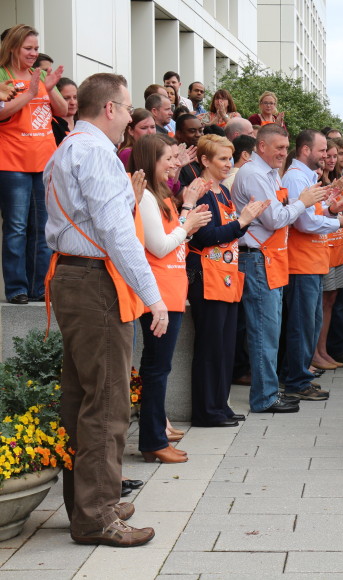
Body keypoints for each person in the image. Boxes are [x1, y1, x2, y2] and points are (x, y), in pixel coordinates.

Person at [45, 72, 160, 547]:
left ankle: (88, 503)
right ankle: (95, 516)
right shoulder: (94, 152)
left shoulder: (68, 148)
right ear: (109, 108)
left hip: (76, 276)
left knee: (83, 398)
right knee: (108, 401)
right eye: (127, 108)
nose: (130, 120)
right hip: (94, 281)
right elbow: (118, 233)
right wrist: (153, 296)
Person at [130, 134, 212, 461]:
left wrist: (186, 217)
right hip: (158, 294)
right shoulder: (147, 197)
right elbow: (160, 246)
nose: (174, 165)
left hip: (171, 291)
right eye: (168, 160)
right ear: (151, 161)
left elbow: (173, 239)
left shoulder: (161, 195)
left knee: (158, 367)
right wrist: (187, 223)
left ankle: (155, 437)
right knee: (156, 369)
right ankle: (152, 442)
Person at [233, 124, 324, 413]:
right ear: (261, 147)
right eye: (279, 148)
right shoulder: (255, 174)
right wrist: (303, 202)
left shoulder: (269, 173)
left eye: (286, 148)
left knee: (269, 330)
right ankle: (264, 397)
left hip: (269, 258)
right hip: (258, 258)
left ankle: (269, 392)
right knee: (264, 331)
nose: (284, 153)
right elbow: (275, 219)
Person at [187, 134, 269, 427]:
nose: (228, 164)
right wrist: (242, 222)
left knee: (225, 347)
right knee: (210, 348)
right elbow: (204, 236)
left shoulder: (223, 191)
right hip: (207, 275)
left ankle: (220, 404)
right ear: (205, 161)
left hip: (226, 275)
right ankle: (206, 411)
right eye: (221, 158)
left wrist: (240, 222)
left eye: (229, 158)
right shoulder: (203, 193)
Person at [280, 129, 343, 400]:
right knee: (302, 324)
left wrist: (332, 210)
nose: (327, 155)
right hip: (301, 262)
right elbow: (303, 222)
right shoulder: (295, 177)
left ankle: (300, 376)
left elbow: (312, 213)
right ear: (305, 150)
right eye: (322, 149)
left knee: (310, 322)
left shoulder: (306, 176)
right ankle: (296, 381)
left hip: (313, 261)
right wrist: (338, 222)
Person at [0, 25, 66, 305]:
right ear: (14, 47)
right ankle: (17, 288)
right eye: (28, 48)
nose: (33, 53)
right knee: (16, 227)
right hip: (12, 161)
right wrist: (28, 94)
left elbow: (62, 111)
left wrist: (48, 89)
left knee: (42, 228)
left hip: (44, 162)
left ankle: (39, 287)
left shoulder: (38, 75)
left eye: (36, 48)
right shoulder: (3, 77)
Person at [314, 139, 343, 369]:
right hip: (320, 248)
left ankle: (323, 350)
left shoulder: (337, 179)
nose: (332, 160)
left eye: (336, 156)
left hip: (337, 245)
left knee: (331, 301)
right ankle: (315, 352)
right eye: (329, 155)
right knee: (320, 302)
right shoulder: (315, 180)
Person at [175, 113, 204, 187]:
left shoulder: (203, 155)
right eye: (192, 131)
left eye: (200, 130)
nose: (198, 135)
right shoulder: (174, 159)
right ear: (179, 134)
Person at [51, 77, 77, 145]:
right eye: (66, 98)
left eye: (75, 97)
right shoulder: (51, 126)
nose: (73, 102)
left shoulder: (82, 123)